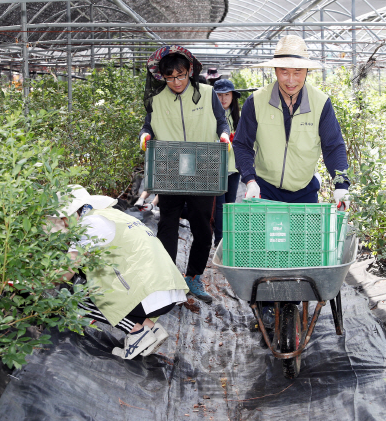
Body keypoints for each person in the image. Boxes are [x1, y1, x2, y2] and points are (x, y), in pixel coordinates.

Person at [50, 186, 189, 360]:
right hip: (166, 287)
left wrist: (38, 283)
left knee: (77, 296)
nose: (62, 224)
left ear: (68, 214)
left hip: (150, 292)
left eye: (62, 219)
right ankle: (152, 329)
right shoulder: (108, 214)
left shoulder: (89, 226)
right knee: (91, 276)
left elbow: (66, 271)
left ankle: (138, 333)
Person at [139, 45, 231, 304]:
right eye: (170, 78)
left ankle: (193, 277)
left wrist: (223, 134)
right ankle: (168, 279)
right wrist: (144, 136)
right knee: (167, 224)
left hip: (203, 167)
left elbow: (221, 120)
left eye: (180, 76)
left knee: (203, 227)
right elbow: (148, 126)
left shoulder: (207, 93)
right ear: (162, 77)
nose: (176, 82)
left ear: (190, 71)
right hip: (170, 168)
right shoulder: (157, 98)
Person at [233, 35, 350, 208]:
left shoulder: (320, 103)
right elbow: (242, 144)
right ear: (275, 70)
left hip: (305, 191)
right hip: (264, 190)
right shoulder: (256, 101)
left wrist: (341, 184)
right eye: (284, 72)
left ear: (306, 71)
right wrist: (250, 180)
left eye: (297, 72)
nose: (290, 80)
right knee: (265, 236)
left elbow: (333, 146)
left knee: (302, 236)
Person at [212, 79, 242, 246]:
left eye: (227, 95)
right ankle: (219, 241)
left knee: (230, 205)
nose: (223, 99)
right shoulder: (211, 115)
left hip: (233, 167)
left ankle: (229, 240)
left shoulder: (238, 117)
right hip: (217, 167)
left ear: (233, 97)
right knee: (220, 206)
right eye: (219, 95)